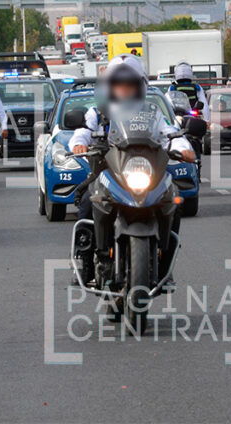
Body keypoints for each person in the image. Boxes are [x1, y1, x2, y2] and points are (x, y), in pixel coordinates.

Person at [69, 55, 196, 288]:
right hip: (110, 172)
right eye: (119, 84)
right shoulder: (99, 113)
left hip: (147, 174)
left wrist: (183, 148)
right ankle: (85, 263)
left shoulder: (153, 114)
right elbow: (83, 131)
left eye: (130, 84)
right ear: (110, 86)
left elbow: (170, 133)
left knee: (174, 201)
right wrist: (79, 143)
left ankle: (165, 267)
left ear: (141, 86)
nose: (124, 90)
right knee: (88, 200)